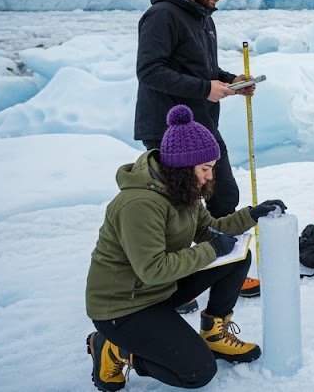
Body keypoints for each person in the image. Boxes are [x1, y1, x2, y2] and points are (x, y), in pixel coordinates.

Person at [85, 105, 286, 391]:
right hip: (124, 307)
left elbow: (209, 231)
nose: (209, 177)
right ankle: (116, 349)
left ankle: (214, 332)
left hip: (159, 290)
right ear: (183, 167)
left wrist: (251, 215)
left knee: (236, 257)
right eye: (205, 169)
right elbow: (153, 269)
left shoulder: (182, 191)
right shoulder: (139, 205)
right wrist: (213, 249)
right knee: (197, 372)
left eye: (212, 169)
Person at [134, 0, 262, 305]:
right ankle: (179, 280)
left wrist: (229, 80)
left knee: (218, 197)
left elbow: (201, 68)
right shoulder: (162, 16)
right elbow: (150, 71)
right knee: (175, 208)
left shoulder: (203, 17)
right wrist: (207, 88)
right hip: (167, 129)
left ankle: (218, 270)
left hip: (200, 124)